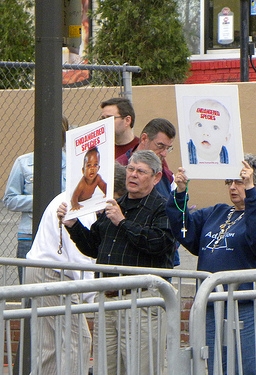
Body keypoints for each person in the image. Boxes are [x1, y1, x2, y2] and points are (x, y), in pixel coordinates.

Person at [58, 150, 176, 375]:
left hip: (140, 300)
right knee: (105, 367)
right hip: (107, 298)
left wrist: (122, 222)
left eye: (141, 171)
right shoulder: (114, 203)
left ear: (156, 177)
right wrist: (72, 225)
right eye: (131, 169)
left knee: (140, 368)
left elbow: (159, 244)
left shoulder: (162, 207)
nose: (133, 175)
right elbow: (93, 246)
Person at [166, 154, 256, 375]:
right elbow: (184, 231)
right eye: (230, 182)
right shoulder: (216, 212)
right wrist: (180, 193)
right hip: (213, 301)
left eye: (239, 181)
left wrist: (252, 194)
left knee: (244, 367)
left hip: (246, 302)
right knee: (217, 366)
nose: (233, 187)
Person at [24, 163, 127, 375]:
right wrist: (95, 300)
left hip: (41, 269)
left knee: (50, 346)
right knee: (77, 340)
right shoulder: (84, 207)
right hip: (52, 275)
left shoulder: (72, 198)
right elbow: (80, 259)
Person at [3, 116, 69, 283]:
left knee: (61, 291)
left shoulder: (73, 164)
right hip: (29, 234)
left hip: (64, 234)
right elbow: (10, 199)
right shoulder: (23, 163)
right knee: (29, 291)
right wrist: (42, 200)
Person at [116, 117, 181, 266]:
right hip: (128, 260)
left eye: (168, 148)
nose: (164, 153)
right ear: (144, 138)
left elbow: (174, 211)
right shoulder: (120, 167)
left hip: (162, 259)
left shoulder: (165, 173)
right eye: (160, 146)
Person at [188, 98, 231, 164]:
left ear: (226, 139)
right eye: (199, 125)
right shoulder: (185, 155)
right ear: (190, 130)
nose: (206, 133)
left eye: (215, 127)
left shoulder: (231, 161)